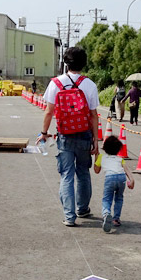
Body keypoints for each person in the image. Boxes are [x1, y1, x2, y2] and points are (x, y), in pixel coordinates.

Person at [41, 46, 100, 227]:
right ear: (84, 63)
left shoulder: (56, 83)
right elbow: (93, 115)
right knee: (83, 172)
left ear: (66, 63)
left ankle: (69, 216)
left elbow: (49, 112)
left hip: (65, 135)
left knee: (67, 175)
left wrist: (44, 133)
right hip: (84, 135)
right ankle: (82, 209)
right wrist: (96, 139)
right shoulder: (89, 84)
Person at [94, 134, 135, 233]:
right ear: (118, 149)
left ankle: (106, 213)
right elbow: (126, 170)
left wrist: (96, 157)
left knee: (107, 198)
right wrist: (132, 180)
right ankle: (116, 219)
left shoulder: (101, 157)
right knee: (119, 198)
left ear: (104, 148)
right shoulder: (120, 159)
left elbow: (96, 170)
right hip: (121, 177)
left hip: (110, 178)